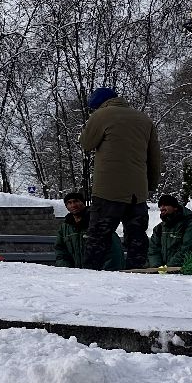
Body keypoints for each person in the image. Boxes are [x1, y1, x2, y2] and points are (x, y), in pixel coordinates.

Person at [79, 87, 160, 269]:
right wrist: (151, 185)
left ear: (98, 105)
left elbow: (86, 143)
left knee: (98, 239)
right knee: (137, 240)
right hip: (137, 193)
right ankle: (137, 275)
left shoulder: (100, 116)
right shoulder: (144, 119)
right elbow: (154, 157)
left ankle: (90, 278)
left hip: (108, 191)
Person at [54, 190, 123, 269]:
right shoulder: (65, 228)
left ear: (83, 202)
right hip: (75, 276)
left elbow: (114, 251)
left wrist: (106, 274)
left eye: (76, 201)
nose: (73, 205)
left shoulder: (97, 222)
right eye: (69, 203)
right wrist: (66, 269)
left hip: (99, 274)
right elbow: (60, 251)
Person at [147, 193, 192, 269]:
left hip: (184, 272)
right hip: (161, 274)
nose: (162, 208)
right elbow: (153, 250)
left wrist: (168, 267)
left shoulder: (189, 226)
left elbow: (188, 250)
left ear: (175, 207)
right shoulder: (159, 228)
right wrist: (157, 267)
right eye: (160, 206)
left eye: (165, 205)